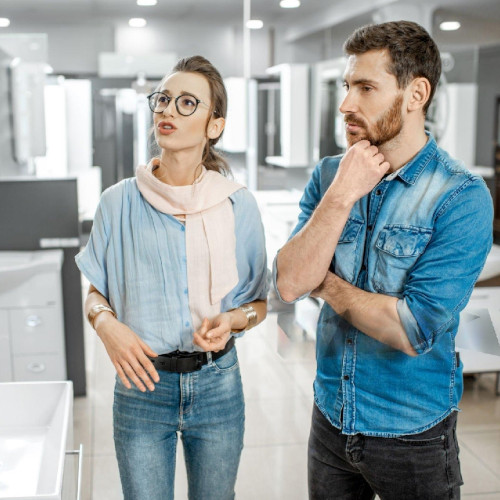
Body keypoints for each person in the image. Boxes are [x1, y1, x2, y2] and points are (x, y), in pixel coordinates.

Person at [274, 21, 493, 500]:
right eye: (347, 85)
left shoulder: (460, 197)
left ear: (416, 94)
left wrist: (326, 283)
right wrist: (341, 196)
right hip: (331, 416)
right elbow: (289, 283)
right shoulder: (332, 173)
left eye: (366, 88)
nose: (346, 104)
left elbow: (411, 329)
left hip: (412, 433)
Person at [76, 55, 268, 500]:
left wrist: (233, 321)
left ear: (213, 126)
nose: (166, 111)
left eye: (186, 103)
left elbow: (259, 303)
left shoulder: (237, 204)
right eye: (162, 100)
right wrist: (107, 326)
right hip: (142, 386)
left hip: (218, 384)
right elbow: (94, 293)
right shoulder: (117, 202)